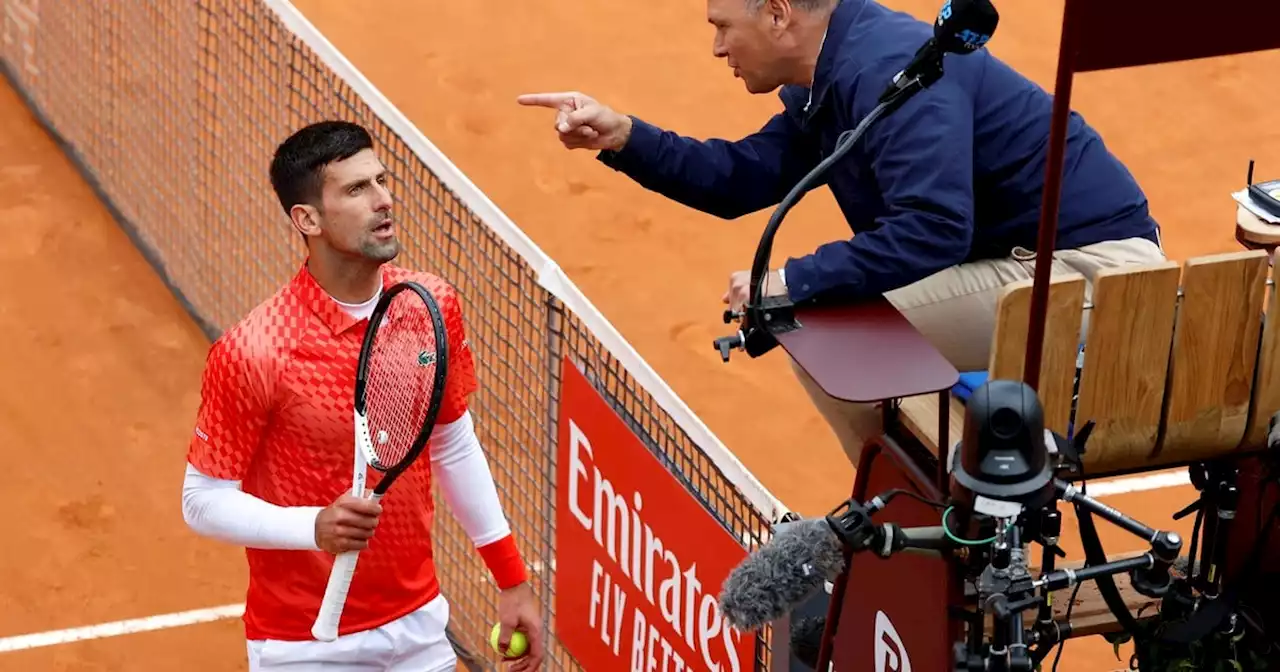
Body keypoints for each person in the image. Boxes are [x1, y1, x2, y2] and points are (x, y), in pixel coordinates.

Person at [517, 0, 1166, 465]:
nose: (716, 49)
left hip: (1090, 278)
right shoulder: (833, 75)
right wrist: (625, 135)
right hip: (1022, 269)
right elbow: (738, 179)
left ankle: (910, 524)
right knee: (829, 322)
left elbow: (934, 228)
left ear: (776, 14)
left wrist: (794, 279)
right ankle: (940, 513)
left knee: (822, 329)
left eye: (722, 27)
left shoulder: (884, 68)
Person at [181, 120, 545, 671]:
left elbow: (450, 441)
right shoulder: (257, 350)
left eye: (381, 180)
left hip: (420, 625)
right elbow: (202, 501)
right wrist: (312, 527)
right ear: (307, 219)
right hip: (303, 647)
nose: (384, 200)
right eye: (356, 189)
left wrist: (512, 578)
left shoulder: (428, 305)